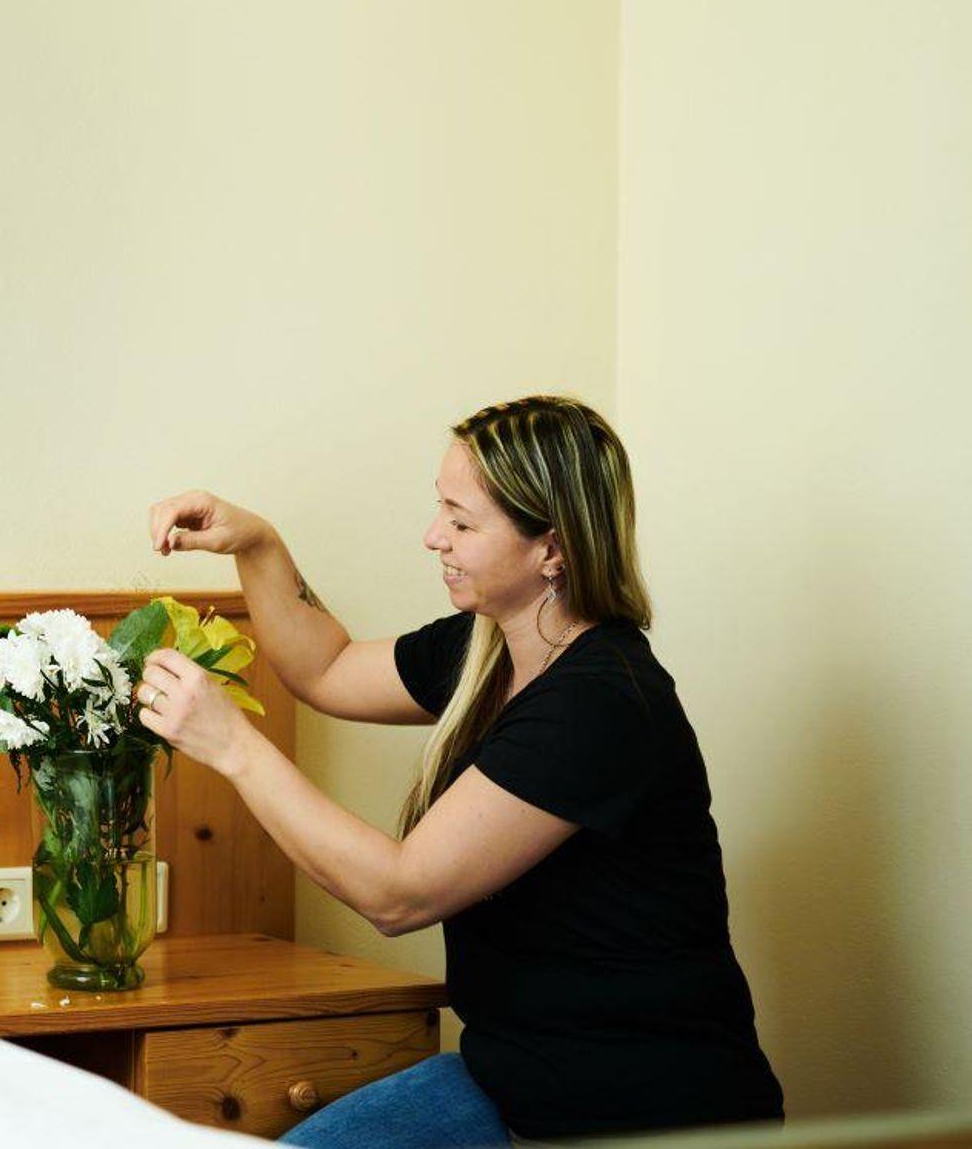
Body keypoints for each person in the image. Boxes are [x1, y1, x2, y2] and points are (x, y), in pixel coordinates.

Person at [138, 395, 783, 1146]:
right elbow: (327, 668)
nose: (433, 536)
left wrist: (233, 747)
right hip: (512, 1079)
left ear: (552, 549)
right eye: (439, 507)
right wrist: (257, 543)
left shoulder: (599, 702)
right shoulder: (492, 648)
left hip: (639, 1116)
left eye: (462, 521)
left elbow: (398, 893)